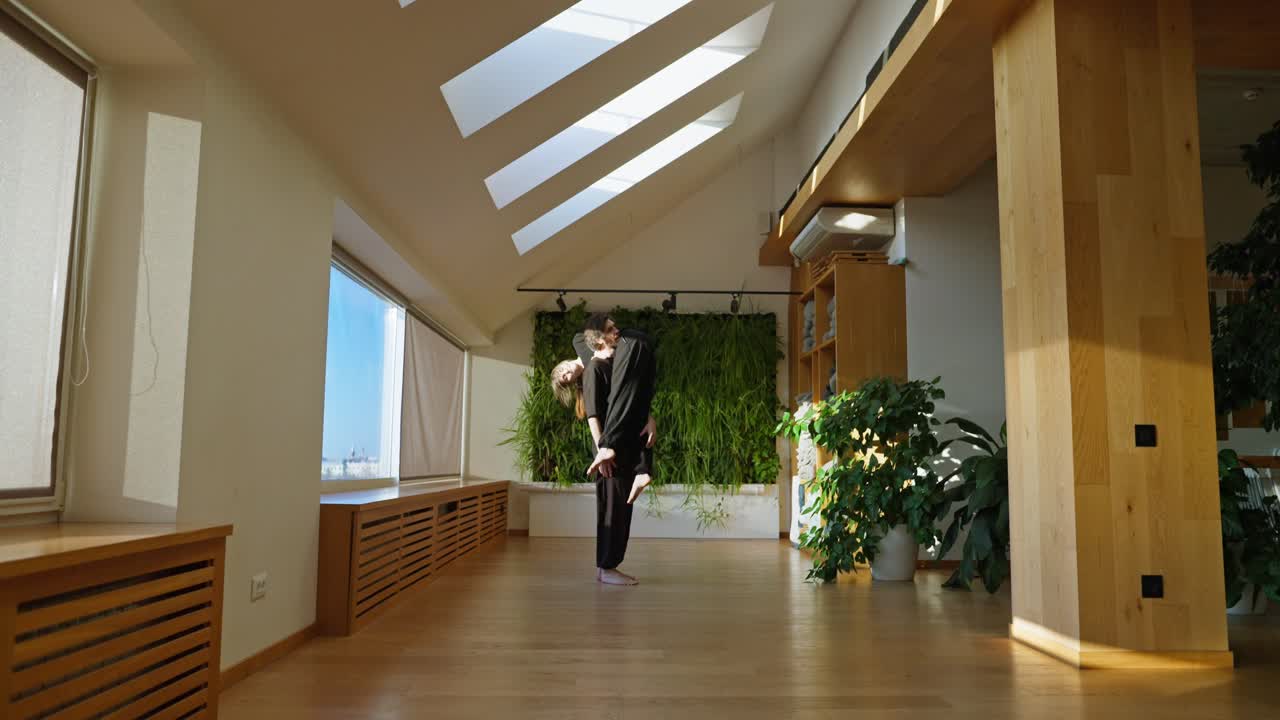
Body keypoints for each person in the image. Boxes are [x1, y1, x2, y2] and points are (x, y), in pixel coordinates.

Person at [550, 313, 657, 586]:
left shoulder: (604, 363)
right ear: (598, 341)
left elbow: (631, 397)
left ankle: (610, 566)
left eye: (561, 371)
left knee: (622, 508)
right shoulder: (595, 370)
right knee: (613, 509)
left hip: (622, 442)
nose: (616, 332)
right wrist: (602, 450)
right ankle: (606, 568)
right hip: (610, 450)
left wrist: (648, 417)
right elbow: (594, 417)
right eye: (610, 329)